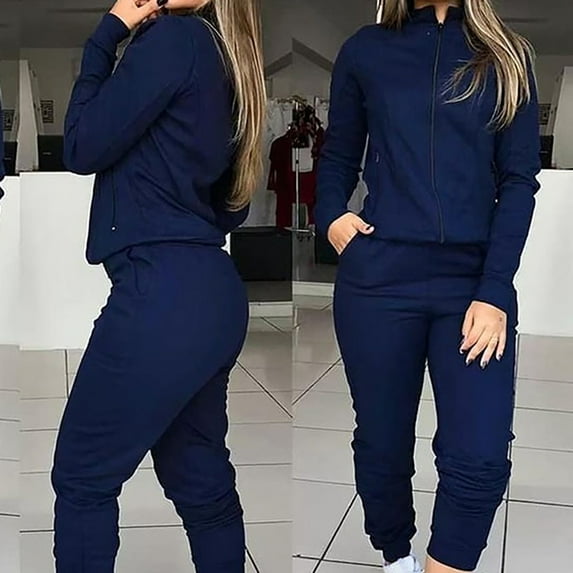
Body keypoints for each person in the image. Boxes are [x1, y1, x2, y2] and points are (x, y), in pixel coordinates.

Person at [315, 0, 540, 572]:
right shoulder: (366, 50)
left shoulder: (506, 56)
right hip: (378, 282)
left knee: (481, 453)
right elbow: (338, 153)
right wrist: (332, 216)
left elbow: (519, 181)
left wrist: (495, 289)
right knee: (382, 442)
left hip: (472, 286)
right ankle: (396, 556)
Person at [50, 0, 265, 571]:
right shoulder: (228, 55)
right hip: (210, 292)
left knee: (82, 477)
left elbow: (81, 147)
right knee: (200, 480)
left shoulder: (172, 41)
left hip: (162, 294)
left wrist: (106, 36)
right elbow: (232, 207)